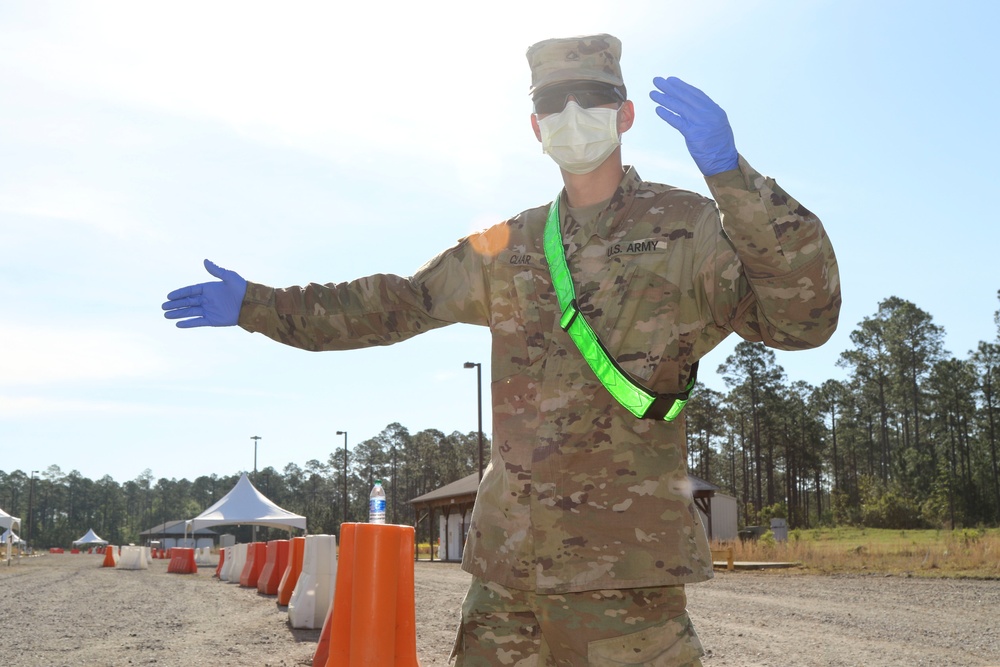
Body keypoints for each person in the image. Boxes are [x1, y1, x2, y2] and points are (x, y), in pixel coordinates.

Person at [163, 33, 840, 666]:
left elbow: (804, 316)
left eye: (591, 98)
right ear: (534, 127)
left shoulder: (686, 228)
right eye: (552, 102)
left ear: (626, 113)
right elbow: (394, 303)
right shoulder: (508, 246)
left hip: (627, 585)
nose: (571, 115)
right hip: (507, 581)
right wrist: (256, 305)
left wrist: (732, 176)